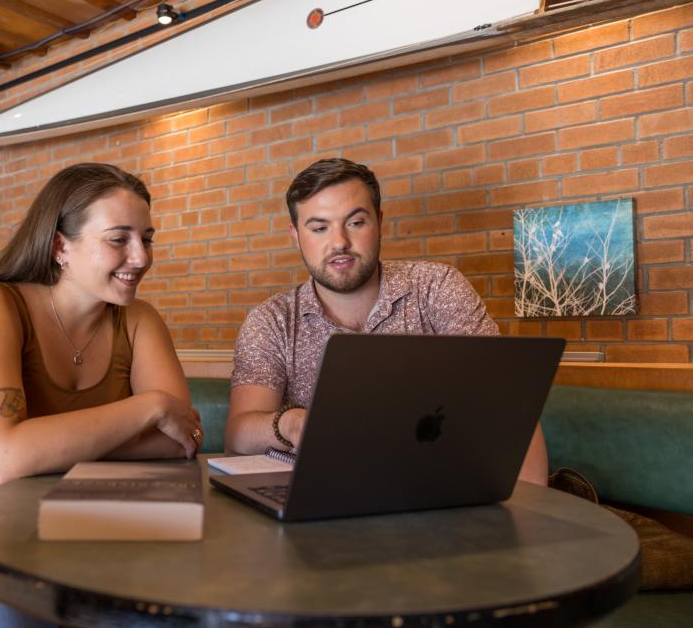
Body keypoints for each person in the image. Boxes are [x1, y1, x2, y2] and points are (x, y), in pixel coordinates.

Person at [0, 163, 202, 627]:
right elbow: (1, 460)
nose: (141, 257)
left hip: (87, 506)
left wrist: (36, 448)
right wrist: (150, 407)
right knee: (13, 614)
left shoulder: (140, 320)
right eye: (119, 239)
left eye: (148, 237)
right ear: (61, 245)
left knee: (177, 609)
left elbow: (180, 440)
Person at [225, 158, 548, 485]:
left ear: (379, 221)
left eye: (355, 222)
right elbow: (238, 436)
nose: (339, 242)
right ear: (295, 235)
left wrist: (527, 515)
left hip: (440, 490)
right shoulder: (272, 321)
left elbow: (507, 404)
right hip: (318, 493)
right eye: (319, 227)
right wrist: (292, 423)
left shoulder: (436, 288)